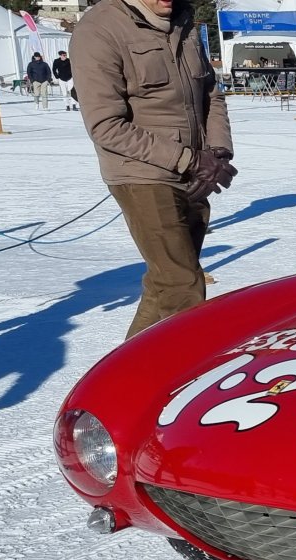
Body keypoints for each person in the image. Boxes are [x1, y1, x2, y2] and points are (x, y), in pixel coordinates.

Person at [72, 0, 235, 339]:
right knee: (182, 289)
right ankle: (183, 369)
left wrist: (216, 151)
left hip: (193, 173)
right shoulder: (99, 29)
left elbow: (211, 94)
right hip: (142, 175)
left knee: (164, 284)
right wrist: (190, 160)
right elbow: (106, 126)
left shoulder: (183, 21)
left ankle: (130, 368)